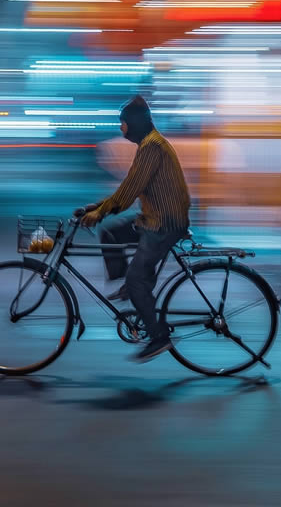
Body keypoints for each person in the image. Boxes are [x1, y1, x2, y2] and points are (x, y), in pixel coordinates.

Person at [81, 96, 191, 362]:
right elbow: (130, 187)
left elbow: (131, 187)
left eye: (124, 123)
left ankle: (158, 336)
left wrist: (101, 210)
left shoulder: (152, 147)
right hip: (153, 218)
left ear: (136, 123)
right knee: (111, 233)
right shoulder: (149, 144)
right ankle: (132, 287)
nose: (121, 128)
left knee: (137, 279)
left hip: (164, 224)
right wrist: (97, 207)